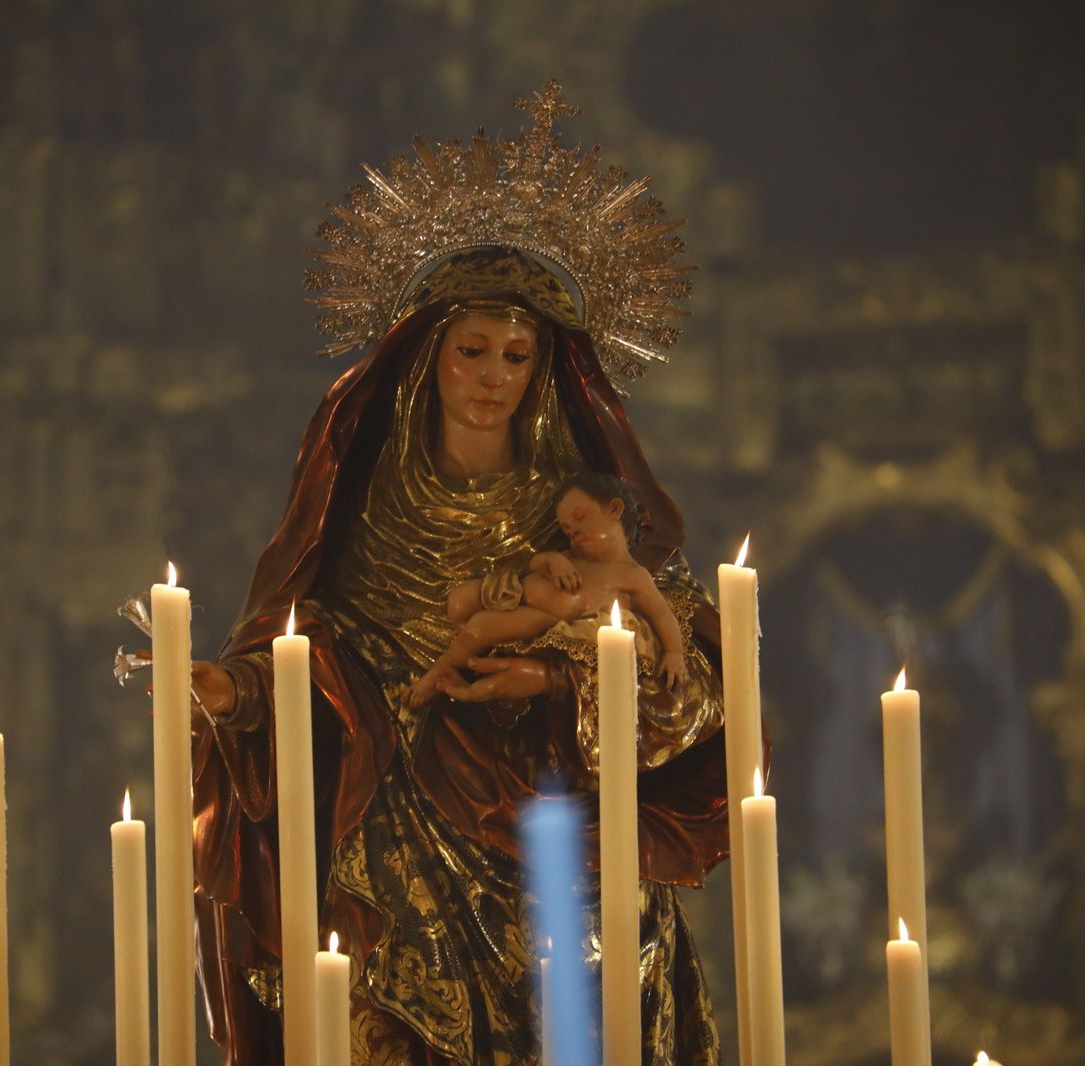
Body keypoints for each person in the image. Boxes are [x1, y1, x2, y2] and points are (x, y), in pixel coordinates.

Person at [179, 86, 731, 1066]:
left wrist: (562, 678)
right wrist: (237, 691)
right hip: (393, 807)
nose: (491, 374)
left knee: (596, 974)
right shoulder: (355, 509)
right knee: (395, 992)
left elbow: (677, 665)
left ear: (542, 370)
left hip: (551, 807)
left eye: (516, 355)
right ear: (424, 361)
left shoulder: (583, 510)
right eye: (470, 350)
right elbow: (310, 650)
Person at [405, 472, 691, 709]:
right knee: (458, 603)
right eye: (566, 529)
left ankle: (435, 676)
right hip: (514, 590)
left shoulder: (633, 575)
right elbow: (535, 561)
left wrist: (674, 653)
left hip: (541, 619)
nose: (573, 532)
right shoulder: (570, 556)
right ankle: (454, 663)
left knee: (479, 628)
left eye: (580, 518)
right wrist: (554, 562)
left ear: (614, 509)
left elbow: (660, 614)